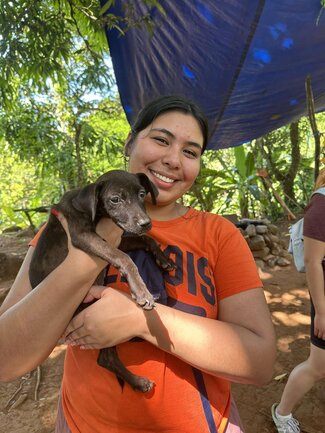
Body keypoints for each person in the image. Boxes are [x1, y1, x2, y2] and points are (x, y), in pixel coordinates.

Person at [0, 95, 276, 433]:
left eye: (191, 152)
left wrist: (140, 319)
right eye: (161, 139)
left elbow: (261, 362)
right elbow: (5, 356)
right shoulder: (61, 227)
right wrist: (91, 252)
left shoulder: (219, 234)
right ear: (129, 142)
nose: (174, 159)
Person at [271, 167, 325, 433]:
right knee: (319, 366)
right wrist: (322, 313)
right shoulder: (322, 203)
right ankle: (282, 413)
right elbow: (313, 262)